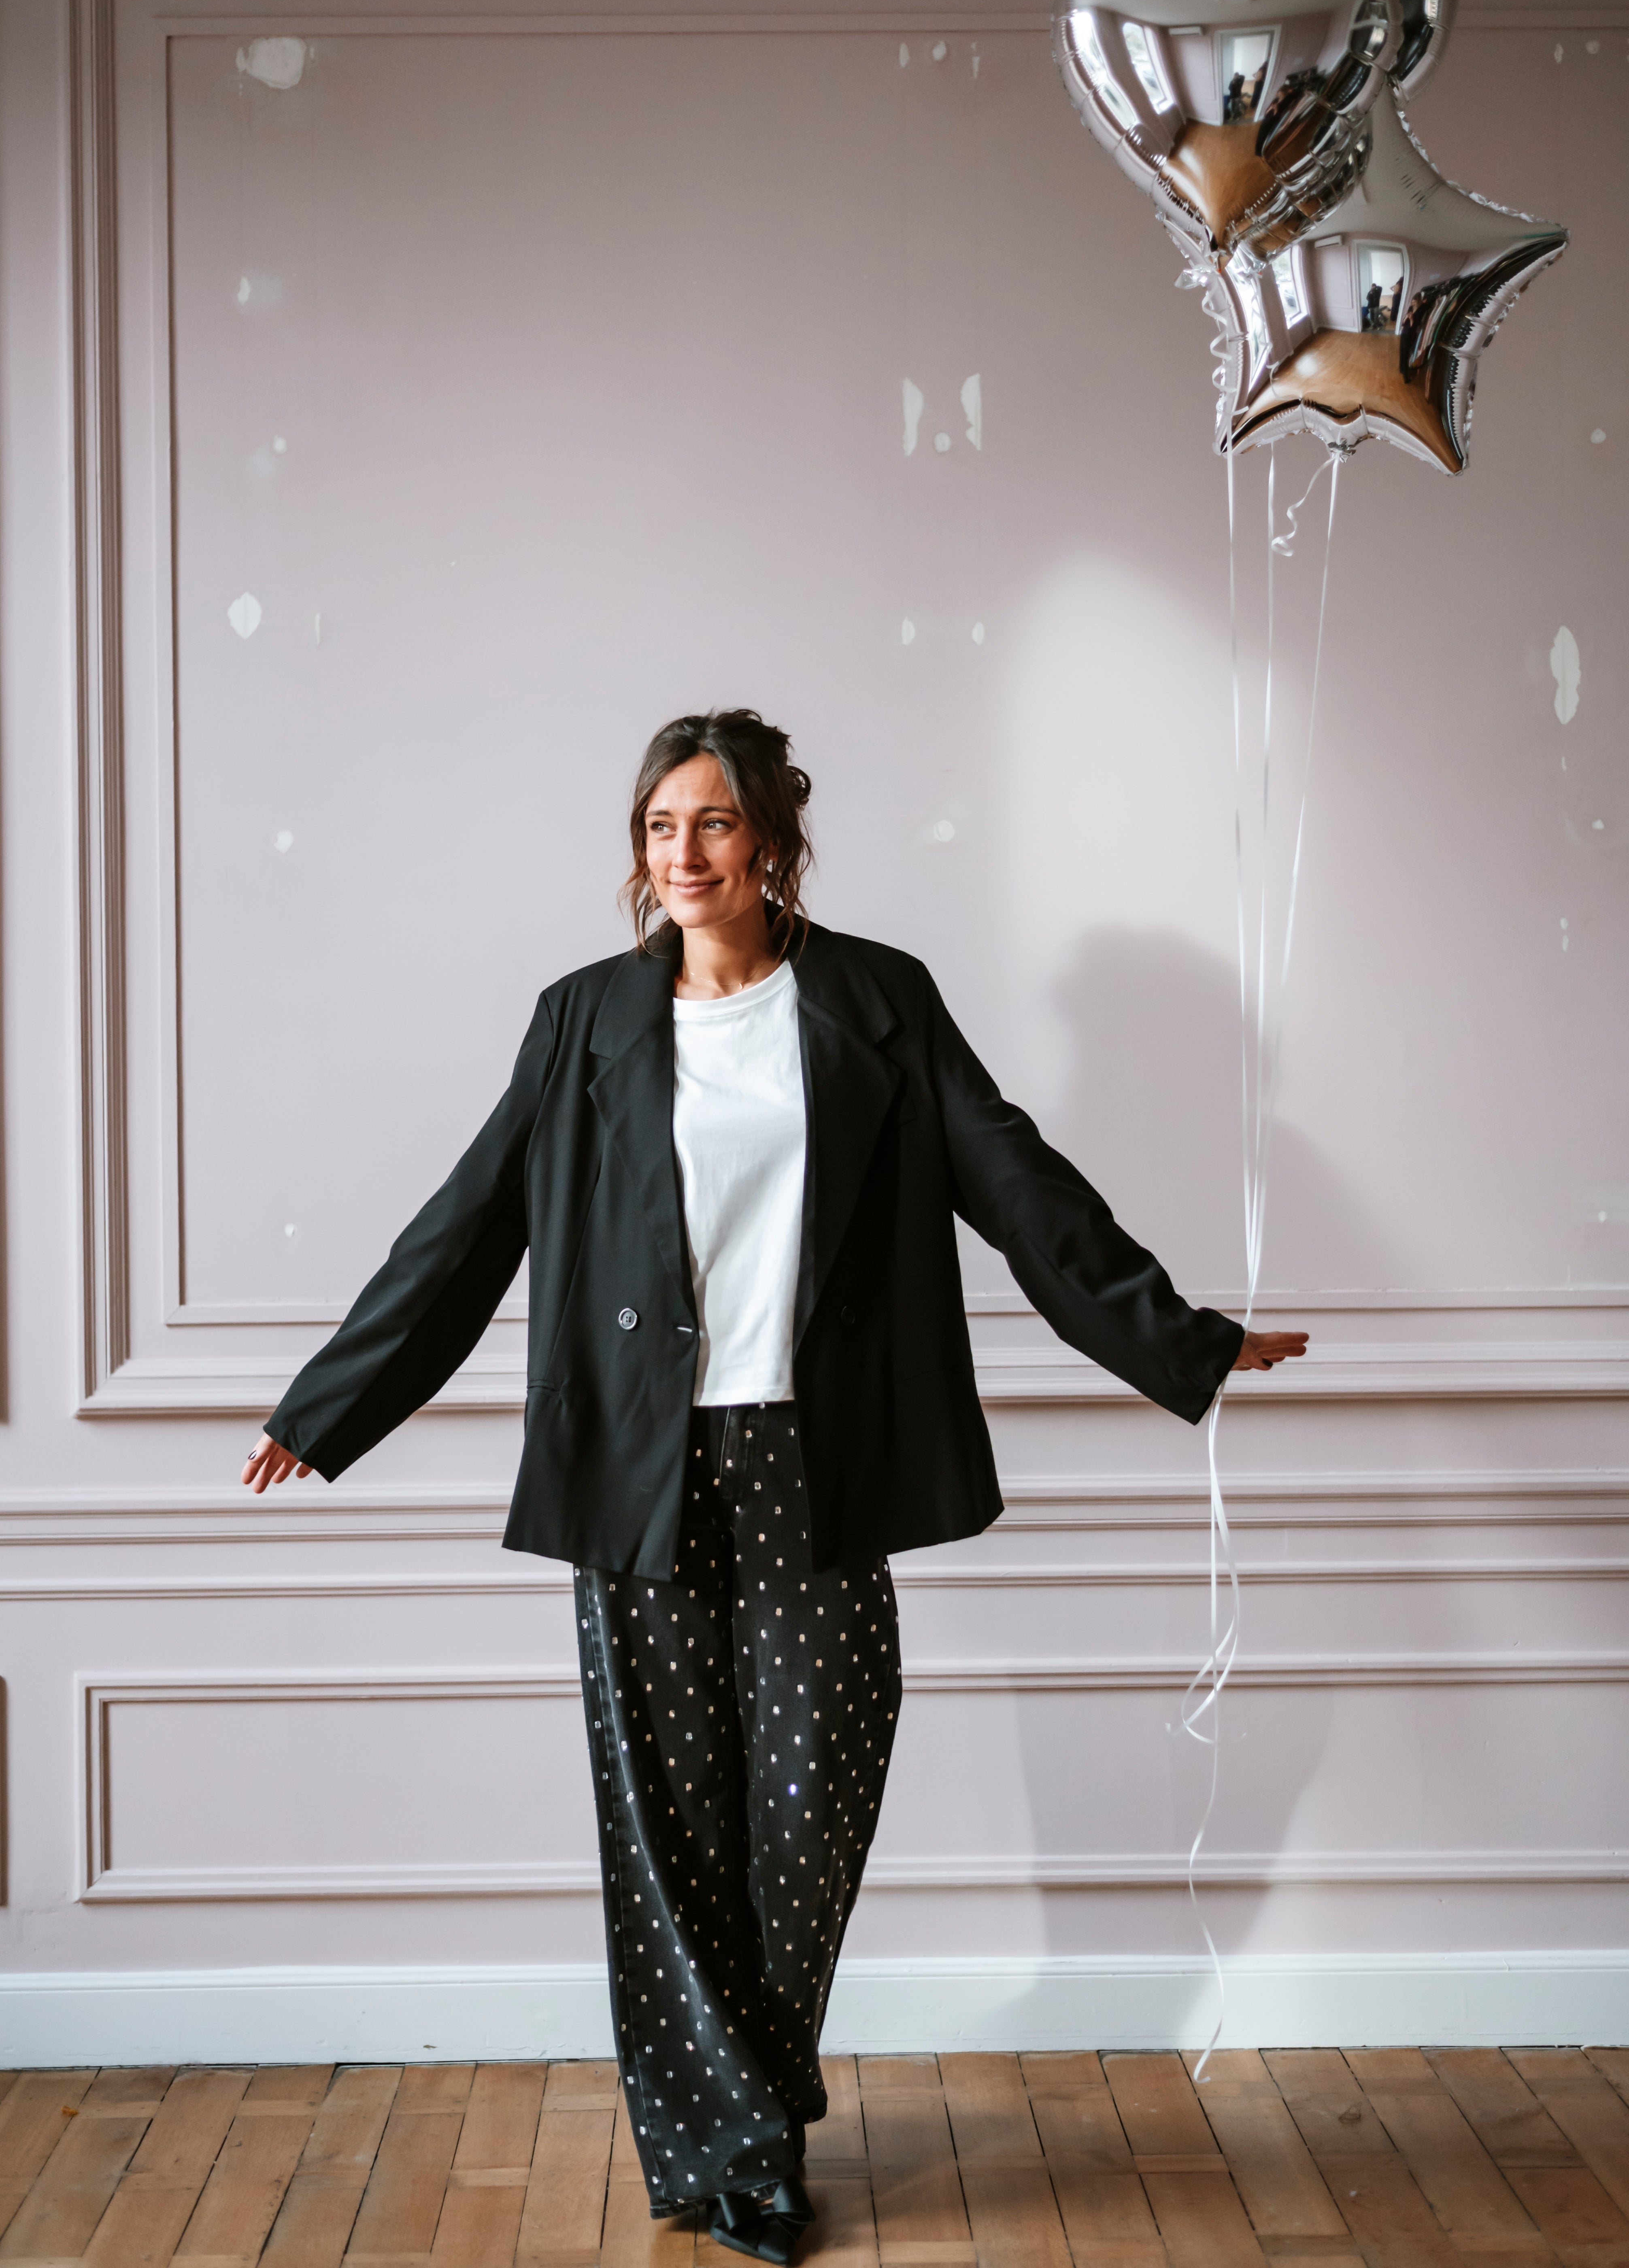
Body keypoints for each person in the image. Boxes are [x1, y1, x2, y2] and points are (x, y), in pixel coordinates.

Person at [242, 709, 1306, 2261]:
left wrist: (1184, 1337)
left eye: (715, 823)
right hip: (645, 1467)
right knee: (670, 1830)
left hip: (816, 1459)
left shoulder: (877, 999)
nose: (684, 853)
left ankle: (739, 2105)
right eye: (660, 826)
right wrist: (329, 1405)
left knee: (812, 1807)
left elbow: (1017, 1182)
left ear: (773, 842)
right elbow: (465, 1227)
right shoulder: (584, 1021)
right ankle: (739, 2152)